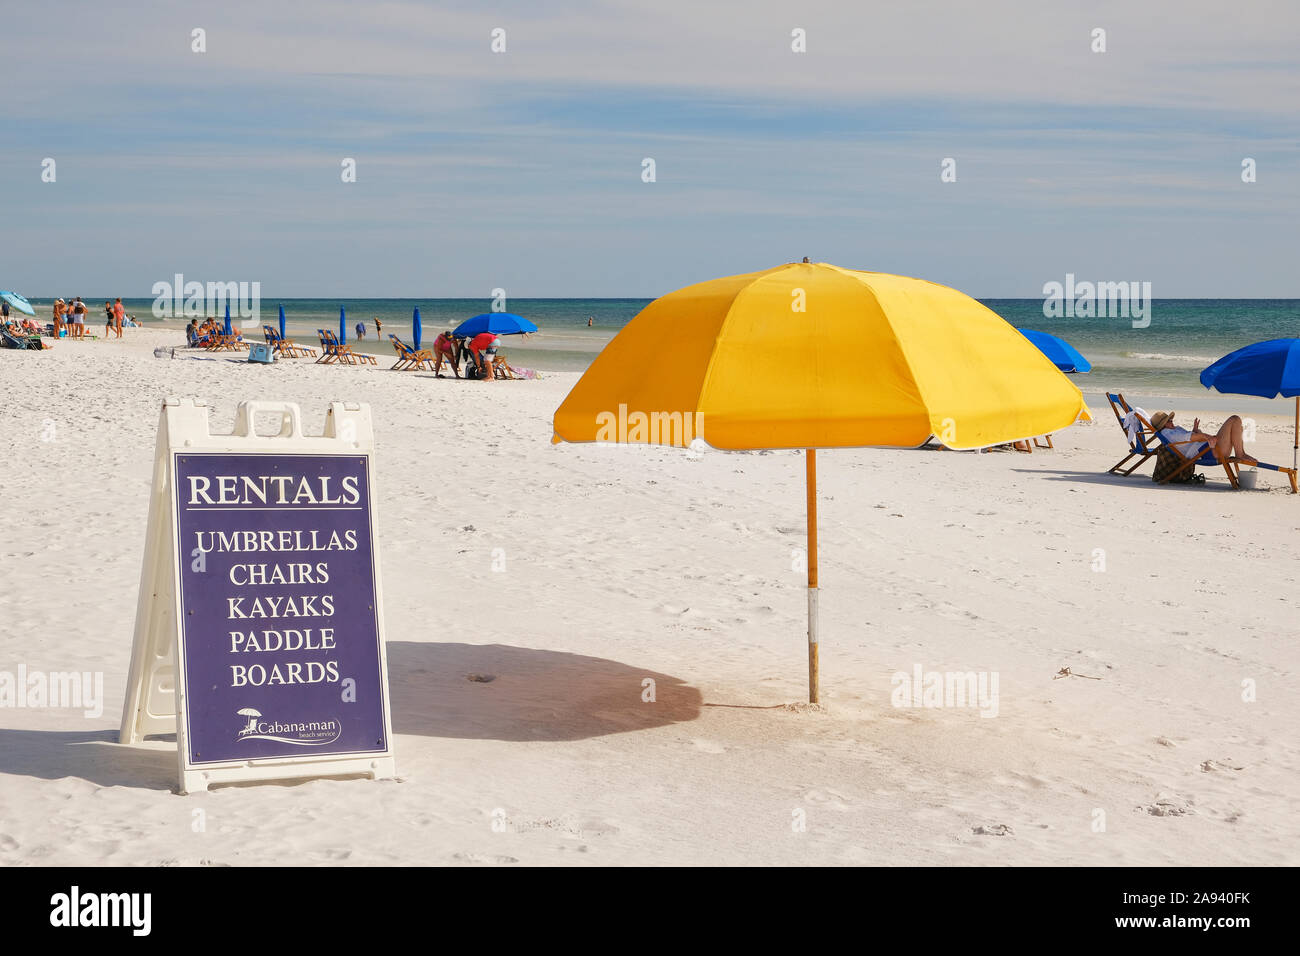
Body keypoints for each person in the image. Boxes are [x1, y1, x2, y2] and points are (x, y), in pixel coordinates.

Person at [1150, 411, 1257, 467]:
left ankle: (1241, 453)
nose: (1172, 421)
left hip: (1208, 448)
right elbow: (1190, 438)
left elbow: (1187, 440)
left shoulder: (1173, 430)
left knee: (1236, 423)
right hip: (1208, 452)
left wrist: (1195, 430)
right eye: (1169, 421)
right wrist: (1206, 436)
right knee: (1234, 419)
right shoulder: (1168, 433)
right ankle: (1240, 454)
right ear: (1163, 425)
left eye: (1171, 419)